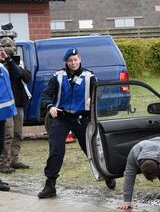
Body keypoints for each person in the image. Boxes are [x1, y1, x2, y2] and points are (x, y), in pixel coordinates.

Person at [37, 48, 97, 198]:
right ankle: (50, 184)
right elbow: (45, 96)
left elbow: (100, 94)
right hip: (61, 118)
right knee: (56, 149)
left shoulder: (90, 76)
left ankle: (105, 174)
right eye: (70, 61)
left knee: (90, 148)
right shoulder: (58, 75)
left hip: (81, 118)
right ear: (66, 62)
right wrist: (50, 107)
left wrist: (93, 99)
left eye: (75, 59)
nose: (73, 63)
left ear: (80, 59)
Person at [0, 37, 32, 173]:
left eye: (10, 47)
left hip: (18, 103)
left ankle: (14, 159)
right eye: (4, 47)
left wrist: (10, 61)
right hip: (5, 105)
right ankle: (3, 162)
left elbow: (25, 77)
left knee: (18, 133)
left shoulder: (17, 63)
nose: (8, 49)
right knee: (7, 134)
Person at [0, 45, 17, 190]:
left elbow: (18, 73)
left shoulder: (3, 68)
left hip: (3, 114)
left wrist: (8, 59)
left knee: (0, 145)